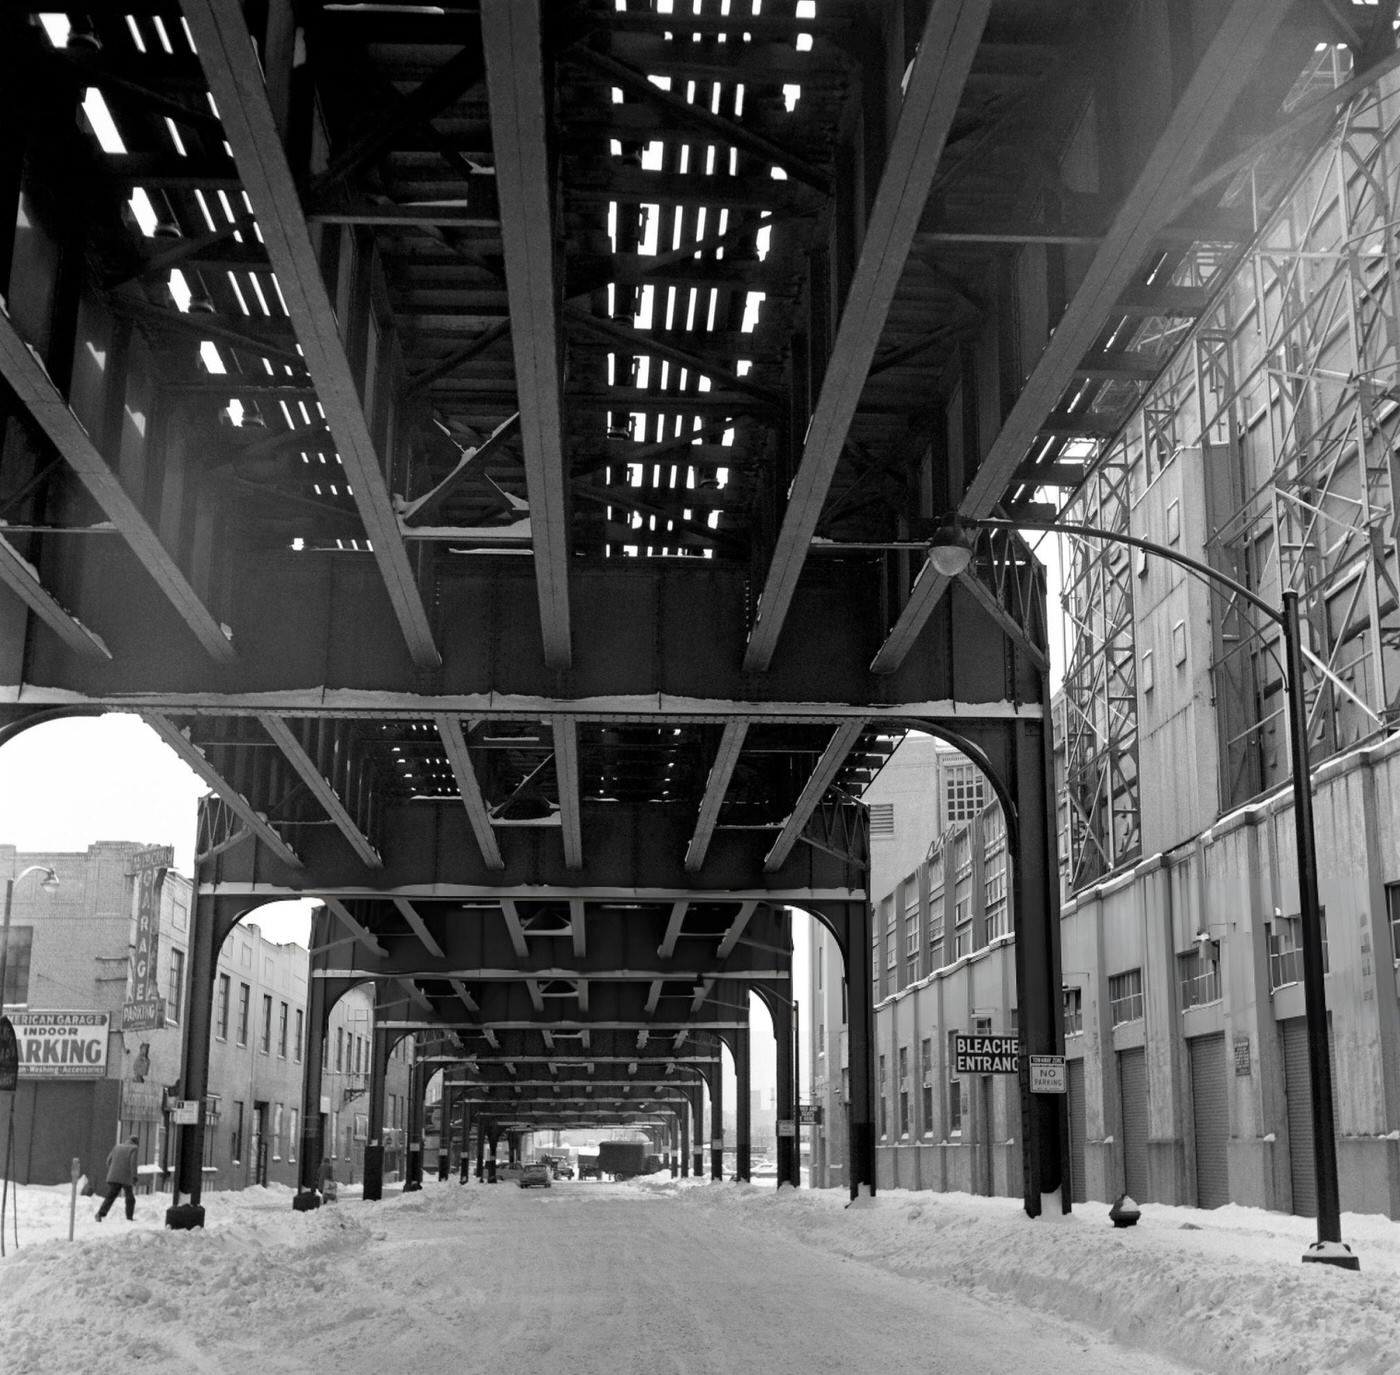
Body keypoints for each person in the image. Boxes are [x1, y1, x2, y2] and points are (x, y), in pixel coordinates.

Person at [95, 1134, 140, 1222]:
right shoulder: (134, 1148)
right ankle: (129, 1217)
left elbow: (108, 1161)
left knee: (110, 1196)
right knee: (130, 1197)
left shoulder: (117, 1147)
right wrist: (134, 1177)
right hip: (125, 1177)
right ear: (136, 1142)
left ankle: (100, 1214)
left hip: (113, 1176)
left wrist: (114, 1170)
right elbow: (133, 1164)